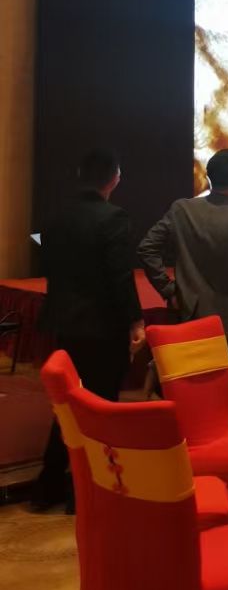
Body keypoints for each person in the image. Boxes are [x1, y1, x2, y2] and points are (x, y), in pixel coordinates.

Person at [34, 149, 145, 511]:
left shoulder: (56, 217)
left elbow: (45, 260)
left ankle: (50, 484)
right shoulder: (113, 218)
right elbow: (120, 277)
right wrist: (135, 320)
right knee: (100, 406)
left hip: (65, 324)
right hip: (102, 327)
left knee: (66, 404)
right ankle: (87, 489)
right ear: (114, 179)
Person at [137, 149, 228, 399]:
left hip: (190, 318)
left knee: (188, 394)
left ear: (208, 177)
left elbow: (147, 248)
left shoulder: (182, 210)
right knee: (226, 398)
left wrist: (169, 289)